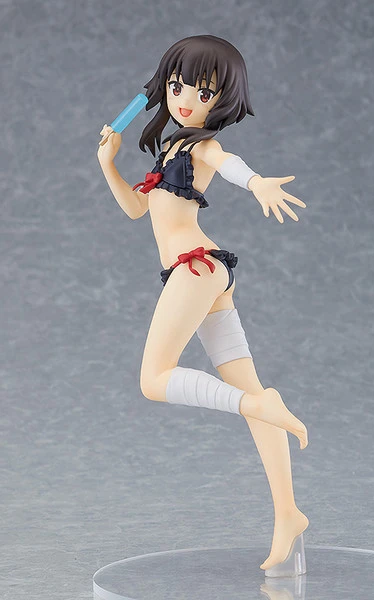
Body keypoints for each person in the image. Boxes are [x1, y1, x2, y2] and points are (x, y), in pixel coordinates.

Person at [97, 34, 309, 574]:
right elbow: (136, 210)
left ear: (222, 101)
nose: (187, 99)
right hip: (204, 272)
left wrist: (257, 183)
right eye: (177, 86)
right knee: (251, 390)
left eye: (204, 92)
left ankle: (258, 406)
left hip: (197, 267)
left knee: (154, 380)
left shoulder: (200, 148)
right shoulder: (170, 150)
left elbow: (229, 161)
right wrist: (108, 163)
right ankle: (289, 512)